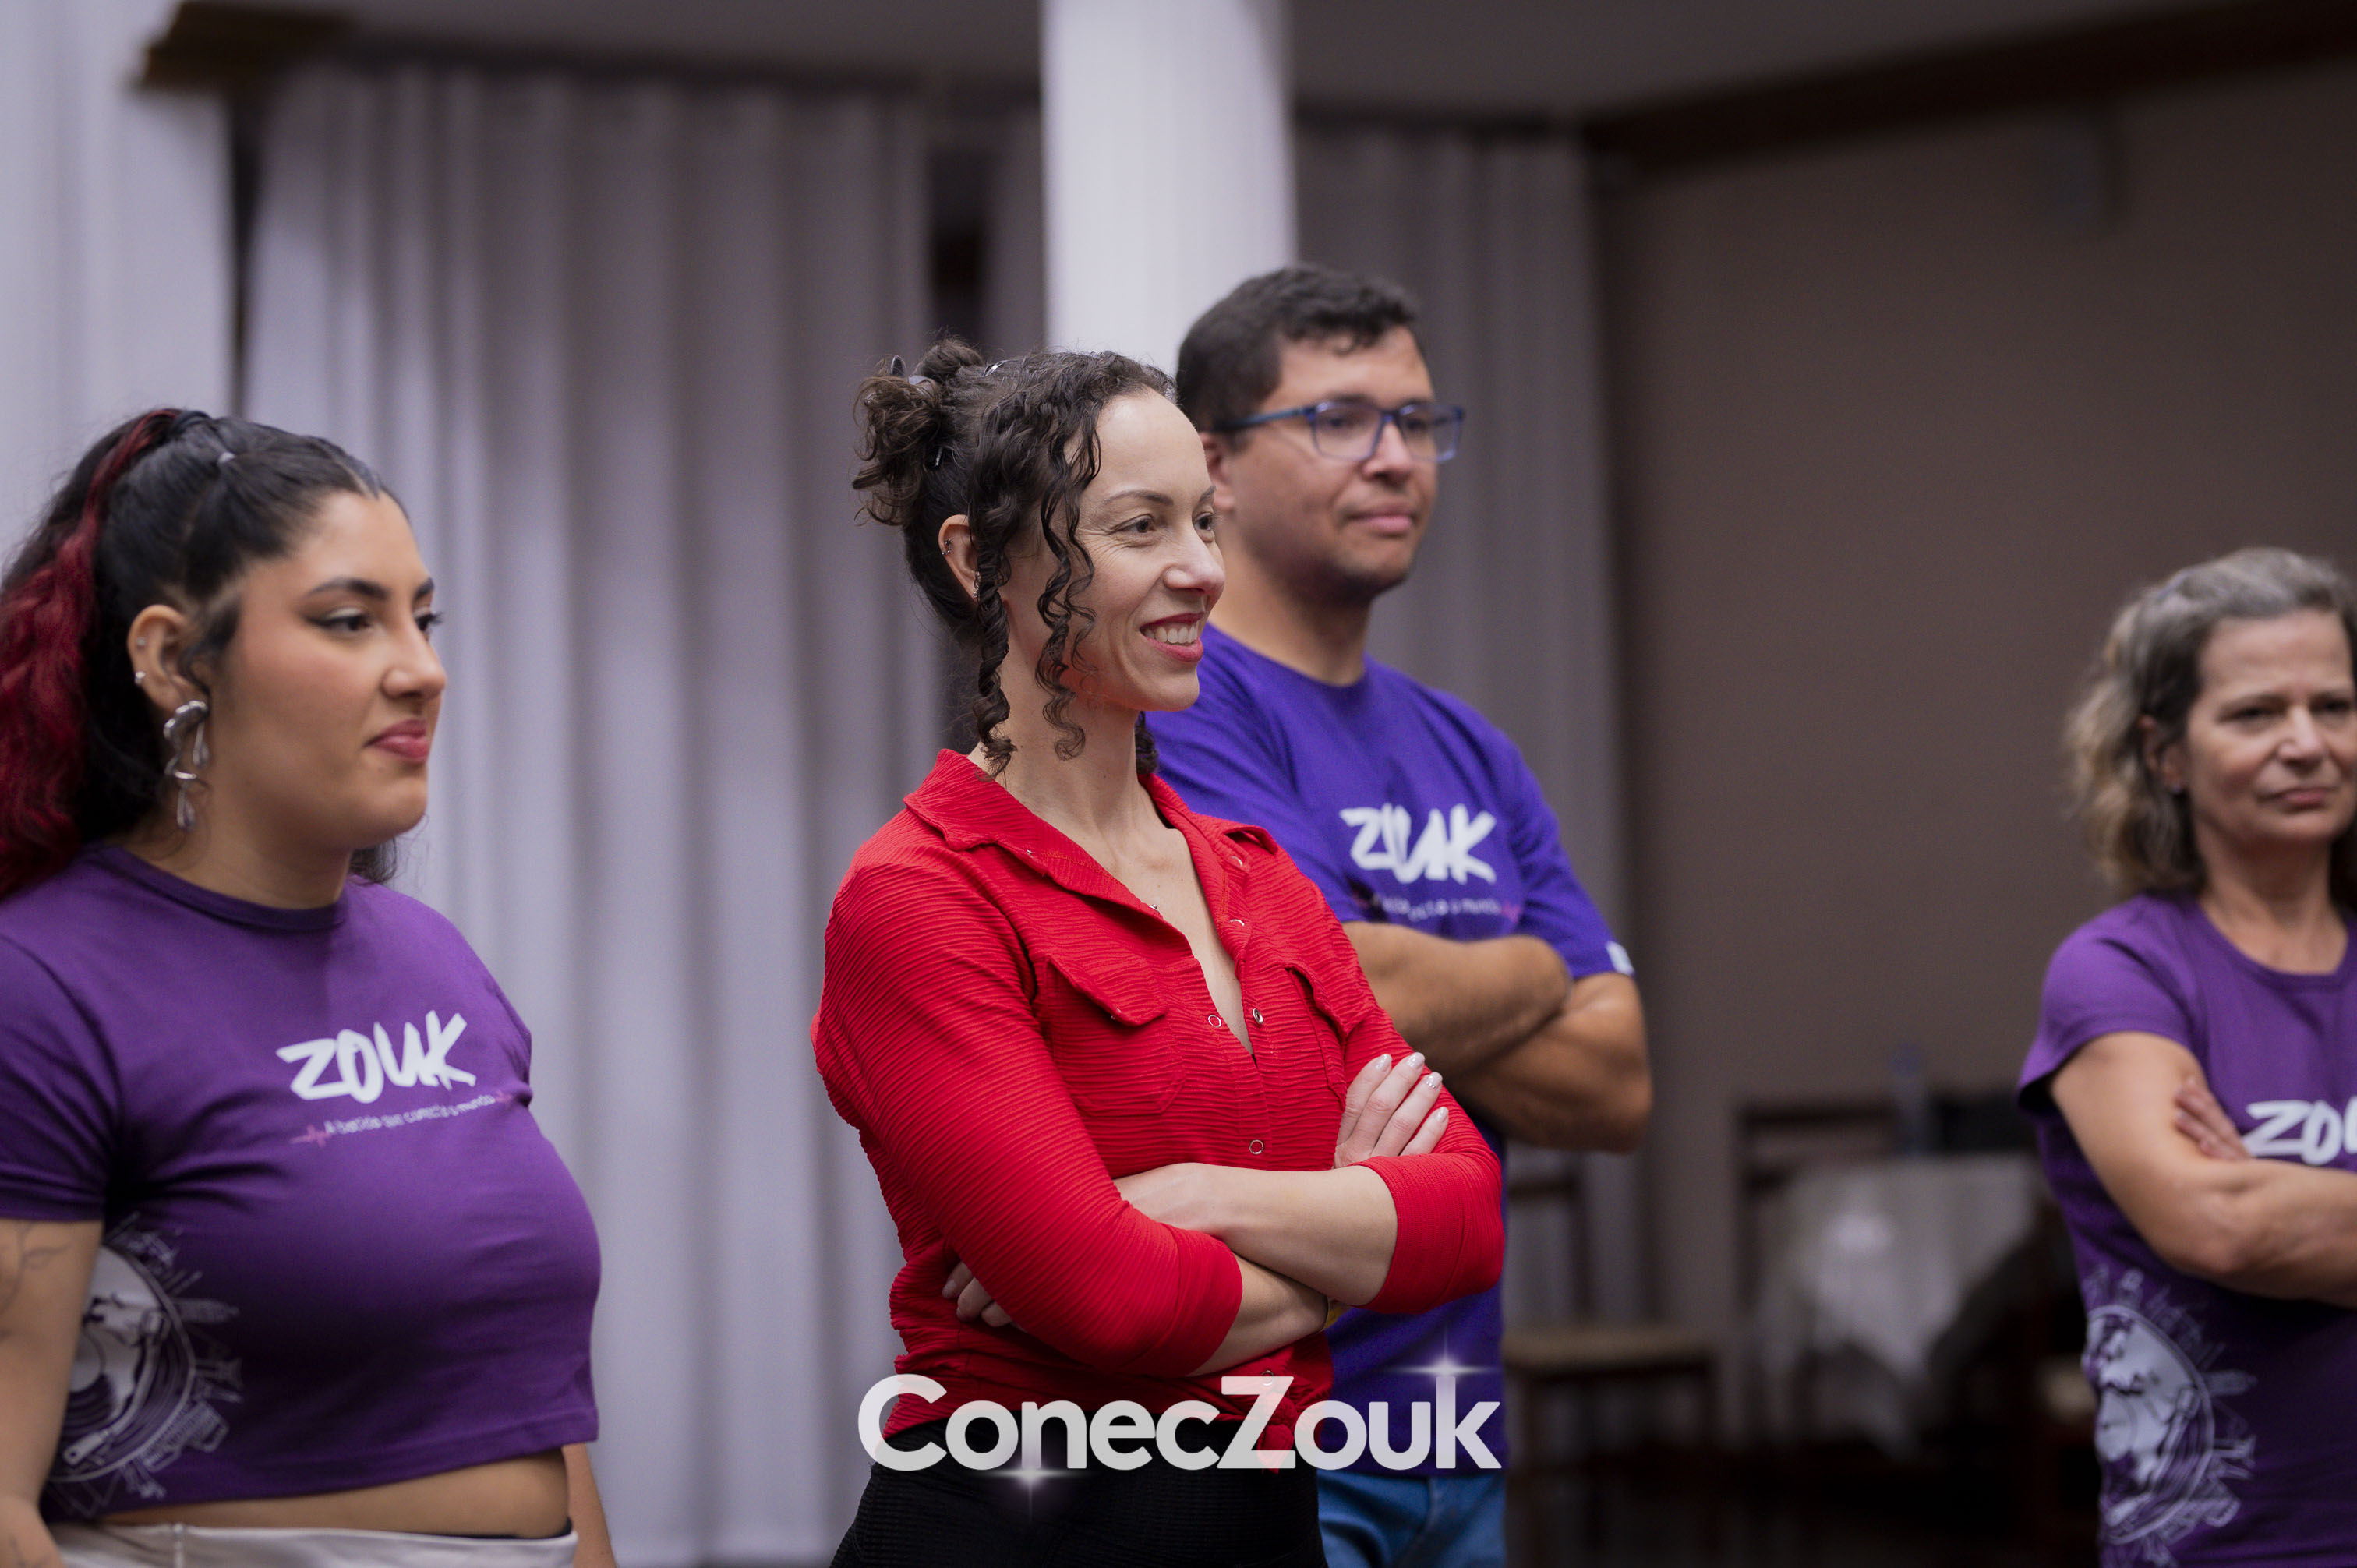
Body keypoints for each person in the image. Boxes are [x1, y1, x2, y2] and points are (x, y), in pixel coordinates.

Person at [815, 341, 1506, 1568]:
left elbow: (1465, 1218)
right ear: (981, 562)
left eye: (1204, 521)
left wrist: (1201, 1201)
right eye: (1142, 527)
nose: (1203, 570)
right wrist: (1346, 1256)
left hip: (1264, 1525)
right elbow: (1115, 1299)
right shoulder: (919, 898)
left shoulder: (1260, 879)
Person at [0, 411, 611, 1568]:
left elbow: (529, 1402)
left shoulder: (432, 956)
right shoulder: (40, 987)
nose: (421, 669)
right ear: (173, 659)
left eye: (423, 619)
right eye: (349, 620)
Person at [1147, 265, 1649, 1568]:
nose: (1394, 458)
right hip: (1271, 1437)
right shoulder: (1181, 713)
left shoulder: (1471, 750)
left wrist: (1387, 977)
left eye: (1417, 421)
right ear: (1214, 464)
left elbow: (1619, 1086)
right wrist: (1536, 968)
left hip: (1452, 1440)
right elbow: (1316, 992)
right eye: (1338, 419)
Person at [2018, 546, 2357, 1565]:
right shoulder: (2120, 973)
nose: (2307, 744)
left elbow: (2261, 1216)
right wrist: (2251, 1212)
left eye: (2334, 706)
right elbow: (2221, 1225)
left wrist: (2286, 1199)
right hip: (2230, 1546)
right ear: (2164, 753)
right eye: (2255, 714)